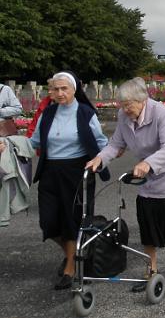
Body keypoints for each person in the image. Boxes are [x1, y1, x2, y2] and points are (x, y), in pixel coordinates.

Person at [85, 77, 165, 291]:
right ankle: (151, 270)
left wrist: (148, 162)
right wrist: (100, 158)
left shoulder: (161, 113)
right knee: (147, 223)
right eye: (122, 105)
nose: (125, 110)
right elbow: (116, 144)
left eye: (129, 105)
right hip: (145, 176)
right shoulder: (124, 116)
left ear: (143, 100)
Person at [27, 71, 108, 290]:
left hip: (77, 170)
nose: (60, 93)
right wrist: (10, 145)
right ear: (51, 91)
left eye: (65, 89)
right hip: (50, 172)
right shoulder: (48, 112)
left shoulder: (85, 112)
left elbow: (101, 141)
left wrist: (104, 158)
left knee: (73, 223)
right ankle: (74, 254)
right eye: (56, 89)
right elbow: (34, 141)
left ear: (74, 90)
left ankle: (71, 267)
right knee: (49, 223)